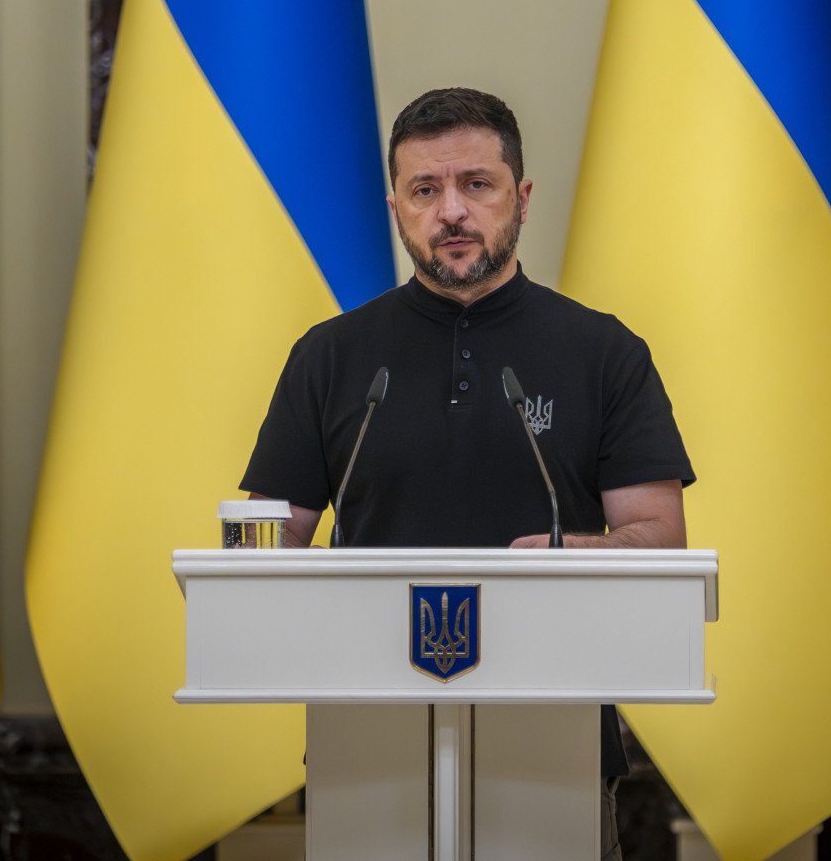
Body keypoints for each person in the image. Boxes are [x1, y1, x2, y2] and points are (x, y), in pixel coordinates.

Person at [240, 86, 695, 860]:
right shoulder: (331, 356)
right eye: (425, 189)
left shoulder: (604, 352)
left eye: (475, 184)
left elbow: (660, 539)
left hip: (559, 747)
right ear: (396, 207)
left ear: (520, 198)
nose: (451, 210)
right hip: (366, 751)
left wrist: (566, 556)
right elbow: (265, 540)